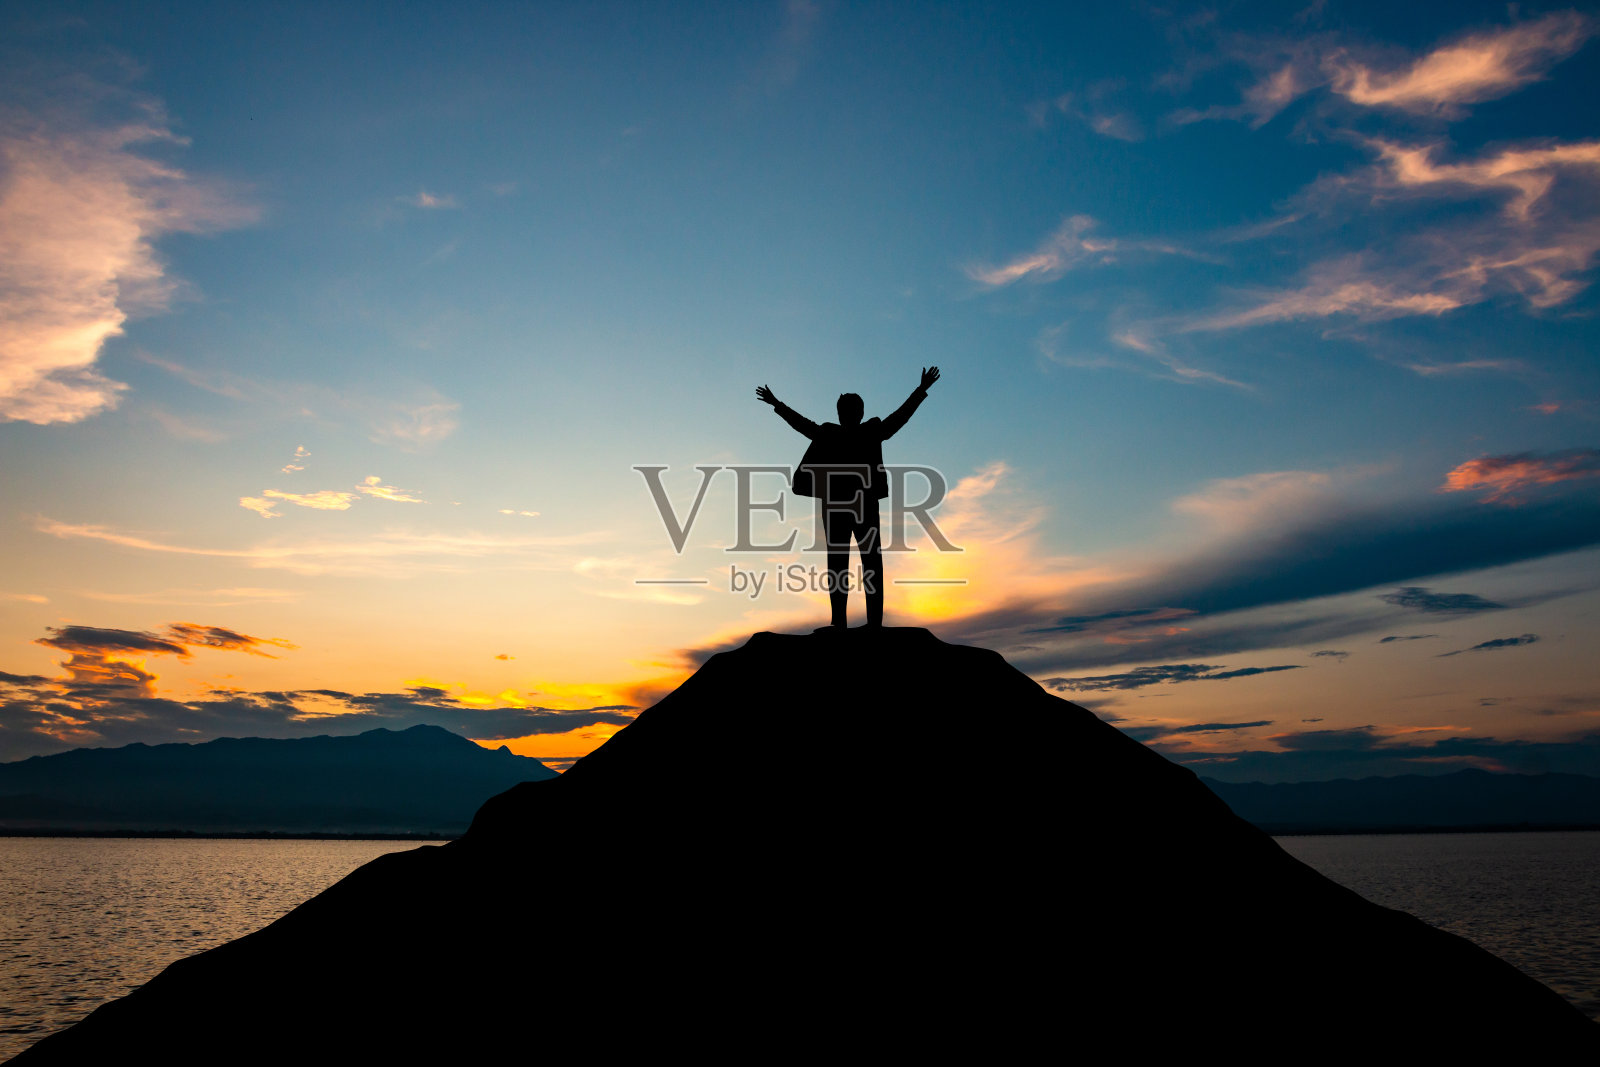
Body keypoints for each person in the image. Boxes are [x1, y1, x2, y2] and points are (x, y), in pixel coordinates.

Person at [756, 367, 940, 628]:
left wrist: (920, 391)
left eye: (852, 410)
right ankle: (842, 622)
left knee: (866, 562)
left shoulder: (866, 431)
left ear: (858, 413)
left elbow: (898, 419)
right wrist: (777, 404)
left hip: (859, 505)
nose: (849, 414)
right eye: (846, 410)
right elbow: (803, 425)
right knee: (843, 563)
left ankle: (870, 623)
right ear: (842, 413)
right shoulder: (833, 432)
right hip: (839, 507)